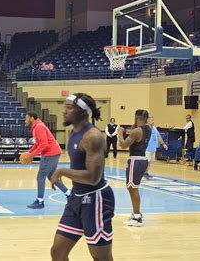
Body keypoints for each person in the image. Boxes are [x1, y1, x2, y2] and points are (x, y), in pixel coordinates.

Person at [49, 93, 114, 261]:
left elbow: (93, 177)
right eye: (65, 107)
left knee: (101, 257)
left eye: (69, 108)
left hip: (95, 199)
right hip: (76, 198)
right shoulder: (72, 134)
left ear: (83, 112)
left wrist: (62, 171)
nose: (64, 111)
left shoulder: (93, 137)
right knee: (57, 252)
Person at [20, 111, 70, 209]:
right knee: (51, 177)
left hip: (50, 154)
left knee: (40, 177)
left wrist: (32, 155)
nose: (25, 120)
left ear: (31, 118)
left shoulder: (39, 127)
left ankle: (40, 201)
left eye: (26, 118)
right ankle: (69, 194)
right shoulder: (37, 126)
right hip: (54, 152)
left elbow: (44, 144)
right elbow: (38, 144)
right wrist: (29, 152)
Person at [117, 109, 151, 227]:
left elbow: (123, 144)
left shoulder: (136, 131)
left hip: (135, 160)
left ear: (136, 117)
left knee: (132, 188)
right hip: (142, 160)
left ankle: (137, 216)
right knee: (132, 188)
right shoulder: (147, 129)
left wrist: (120, 132)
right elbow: (135, 133)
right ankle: (136, 213)